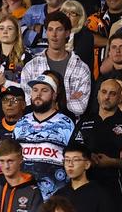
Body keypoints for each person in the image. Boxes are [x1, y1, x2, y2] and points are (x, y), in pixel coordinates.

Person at [69, 77, 122, 210]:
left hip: (115, 188)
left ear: (120, 97)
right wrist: (86, 156)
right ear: (97, 94)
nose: (107, 97)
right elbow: (70, 150)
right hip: (85, 187)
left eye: (112, 93)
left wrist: (112, 162)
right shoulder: (84, 121)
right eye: (104, 92)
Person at [12, 72, 75, 200]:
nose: (38, 94)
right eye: (35, 90)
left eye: (44, 90)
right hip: (22, 195)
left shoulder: (67, 123)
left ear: (54, 95)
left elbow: (75, 159)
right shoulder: (21, 122)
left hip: (54, 197)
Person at [19, 13, 91, 117]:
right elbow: (29, 103)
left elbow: (79, 108)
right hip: (38, 127)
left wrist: (45, 102)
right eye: (50, 29)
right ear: (46, 32)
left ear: (67, 33)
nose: (54, 34)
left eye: (59, 29)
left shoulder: (81, 68)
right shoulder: (31, 66)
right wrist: (66, 101)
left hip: (70, 127)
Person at [0, 139, 43, 212]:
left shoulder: (33, 192)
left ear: (20, 159)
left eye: (10, 161)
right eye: (2, 161)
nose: (6, 166)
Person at [52, 145, 119, 212]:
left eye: (75, 160)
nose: (70, 164)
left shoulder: (100, 194)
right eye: (67, 160)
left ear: (87, 164)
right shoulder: (58, 195)